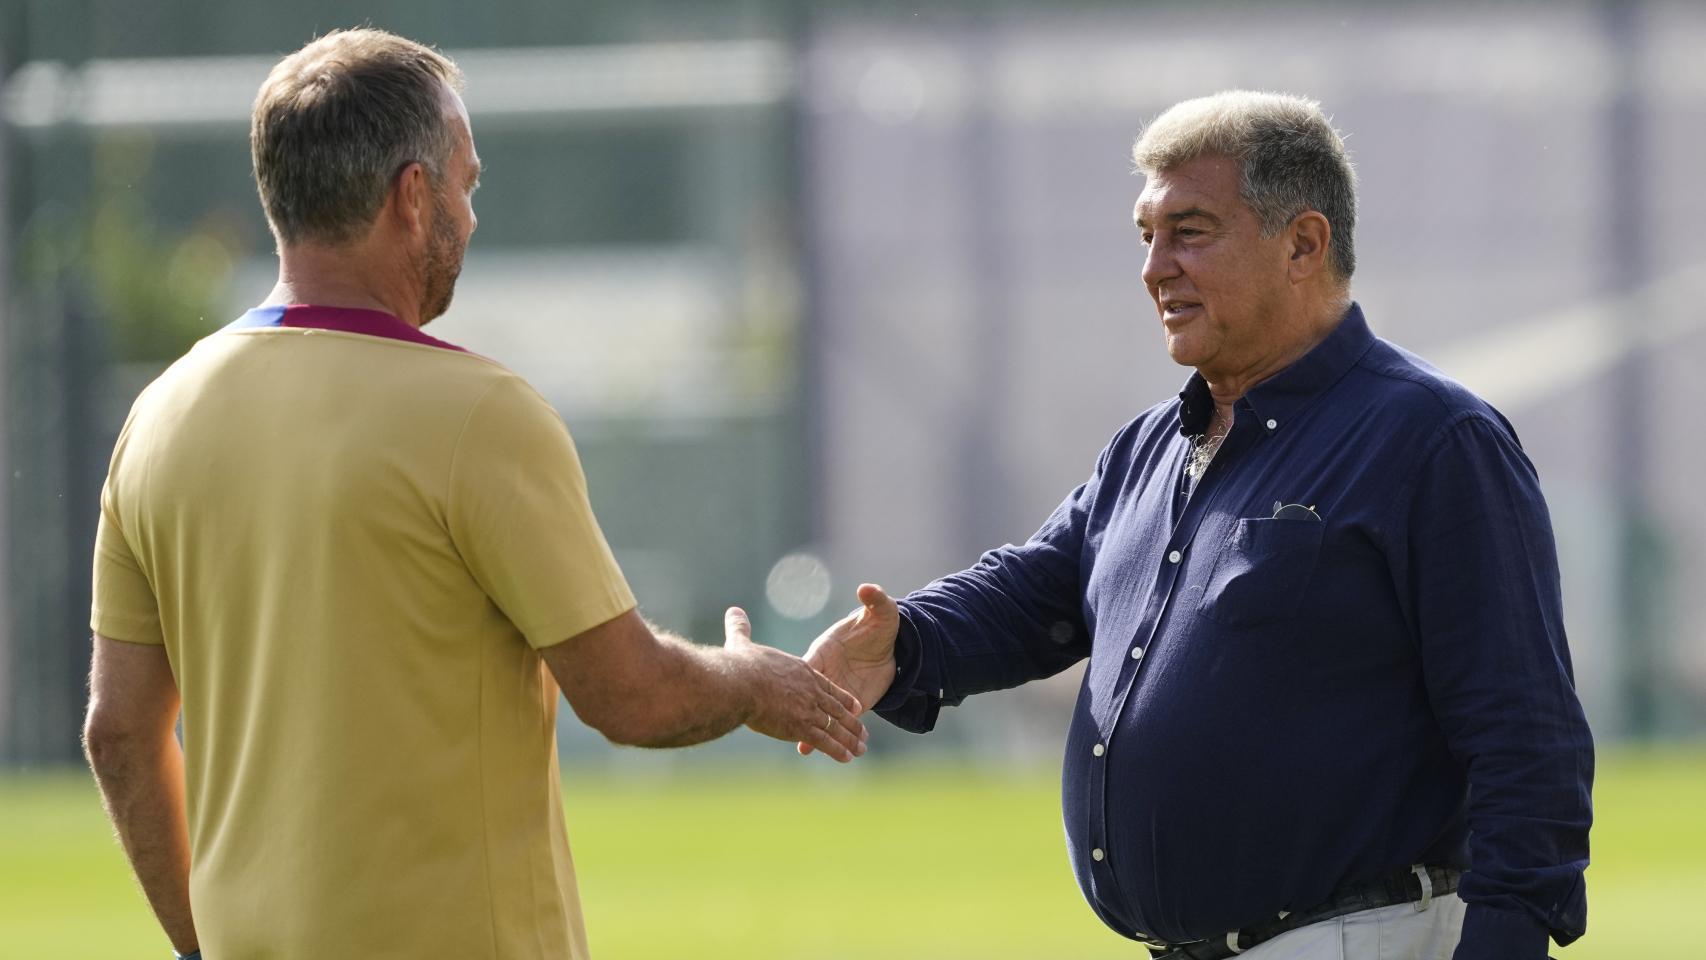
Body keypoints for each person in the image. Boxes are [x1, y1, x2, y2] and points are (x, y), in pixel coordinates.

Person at [82, 28, 866, 960]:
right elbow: (630, 697)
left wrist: (202, 945)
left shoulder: (159, 417)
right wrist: (748, 679)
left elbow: (120, 733)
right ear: (413, 198)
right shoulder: (479, 415)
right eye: (467, 181)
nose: (473, 213)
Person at [807, 91, 1592, 960]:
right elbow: (1036, 592)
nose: (1154, 267)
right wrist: (904, 640)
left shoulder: (1434, 440)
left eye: (1190, 230)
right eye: (1146, 234)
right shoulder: (1151, 443)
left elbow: (1527, 737)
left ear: (1303, 244)